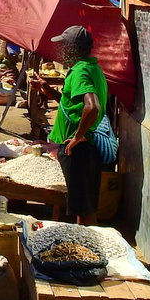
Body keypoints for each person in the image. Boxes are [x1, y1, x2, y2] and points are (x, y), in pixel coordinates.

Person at [31, 26, 109, 226]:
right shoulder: (94, 68)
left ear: (73, 48)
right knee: (87, 206)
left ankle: (84, 249)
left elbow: (92, 107)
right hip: (88, 146)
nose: (61, 50)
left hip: (79, 149)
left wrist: (76, 137)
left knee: (82, 210)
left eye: (63, 46)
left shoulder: (80, 72)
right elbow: (75, 105)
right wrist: (49, 91)